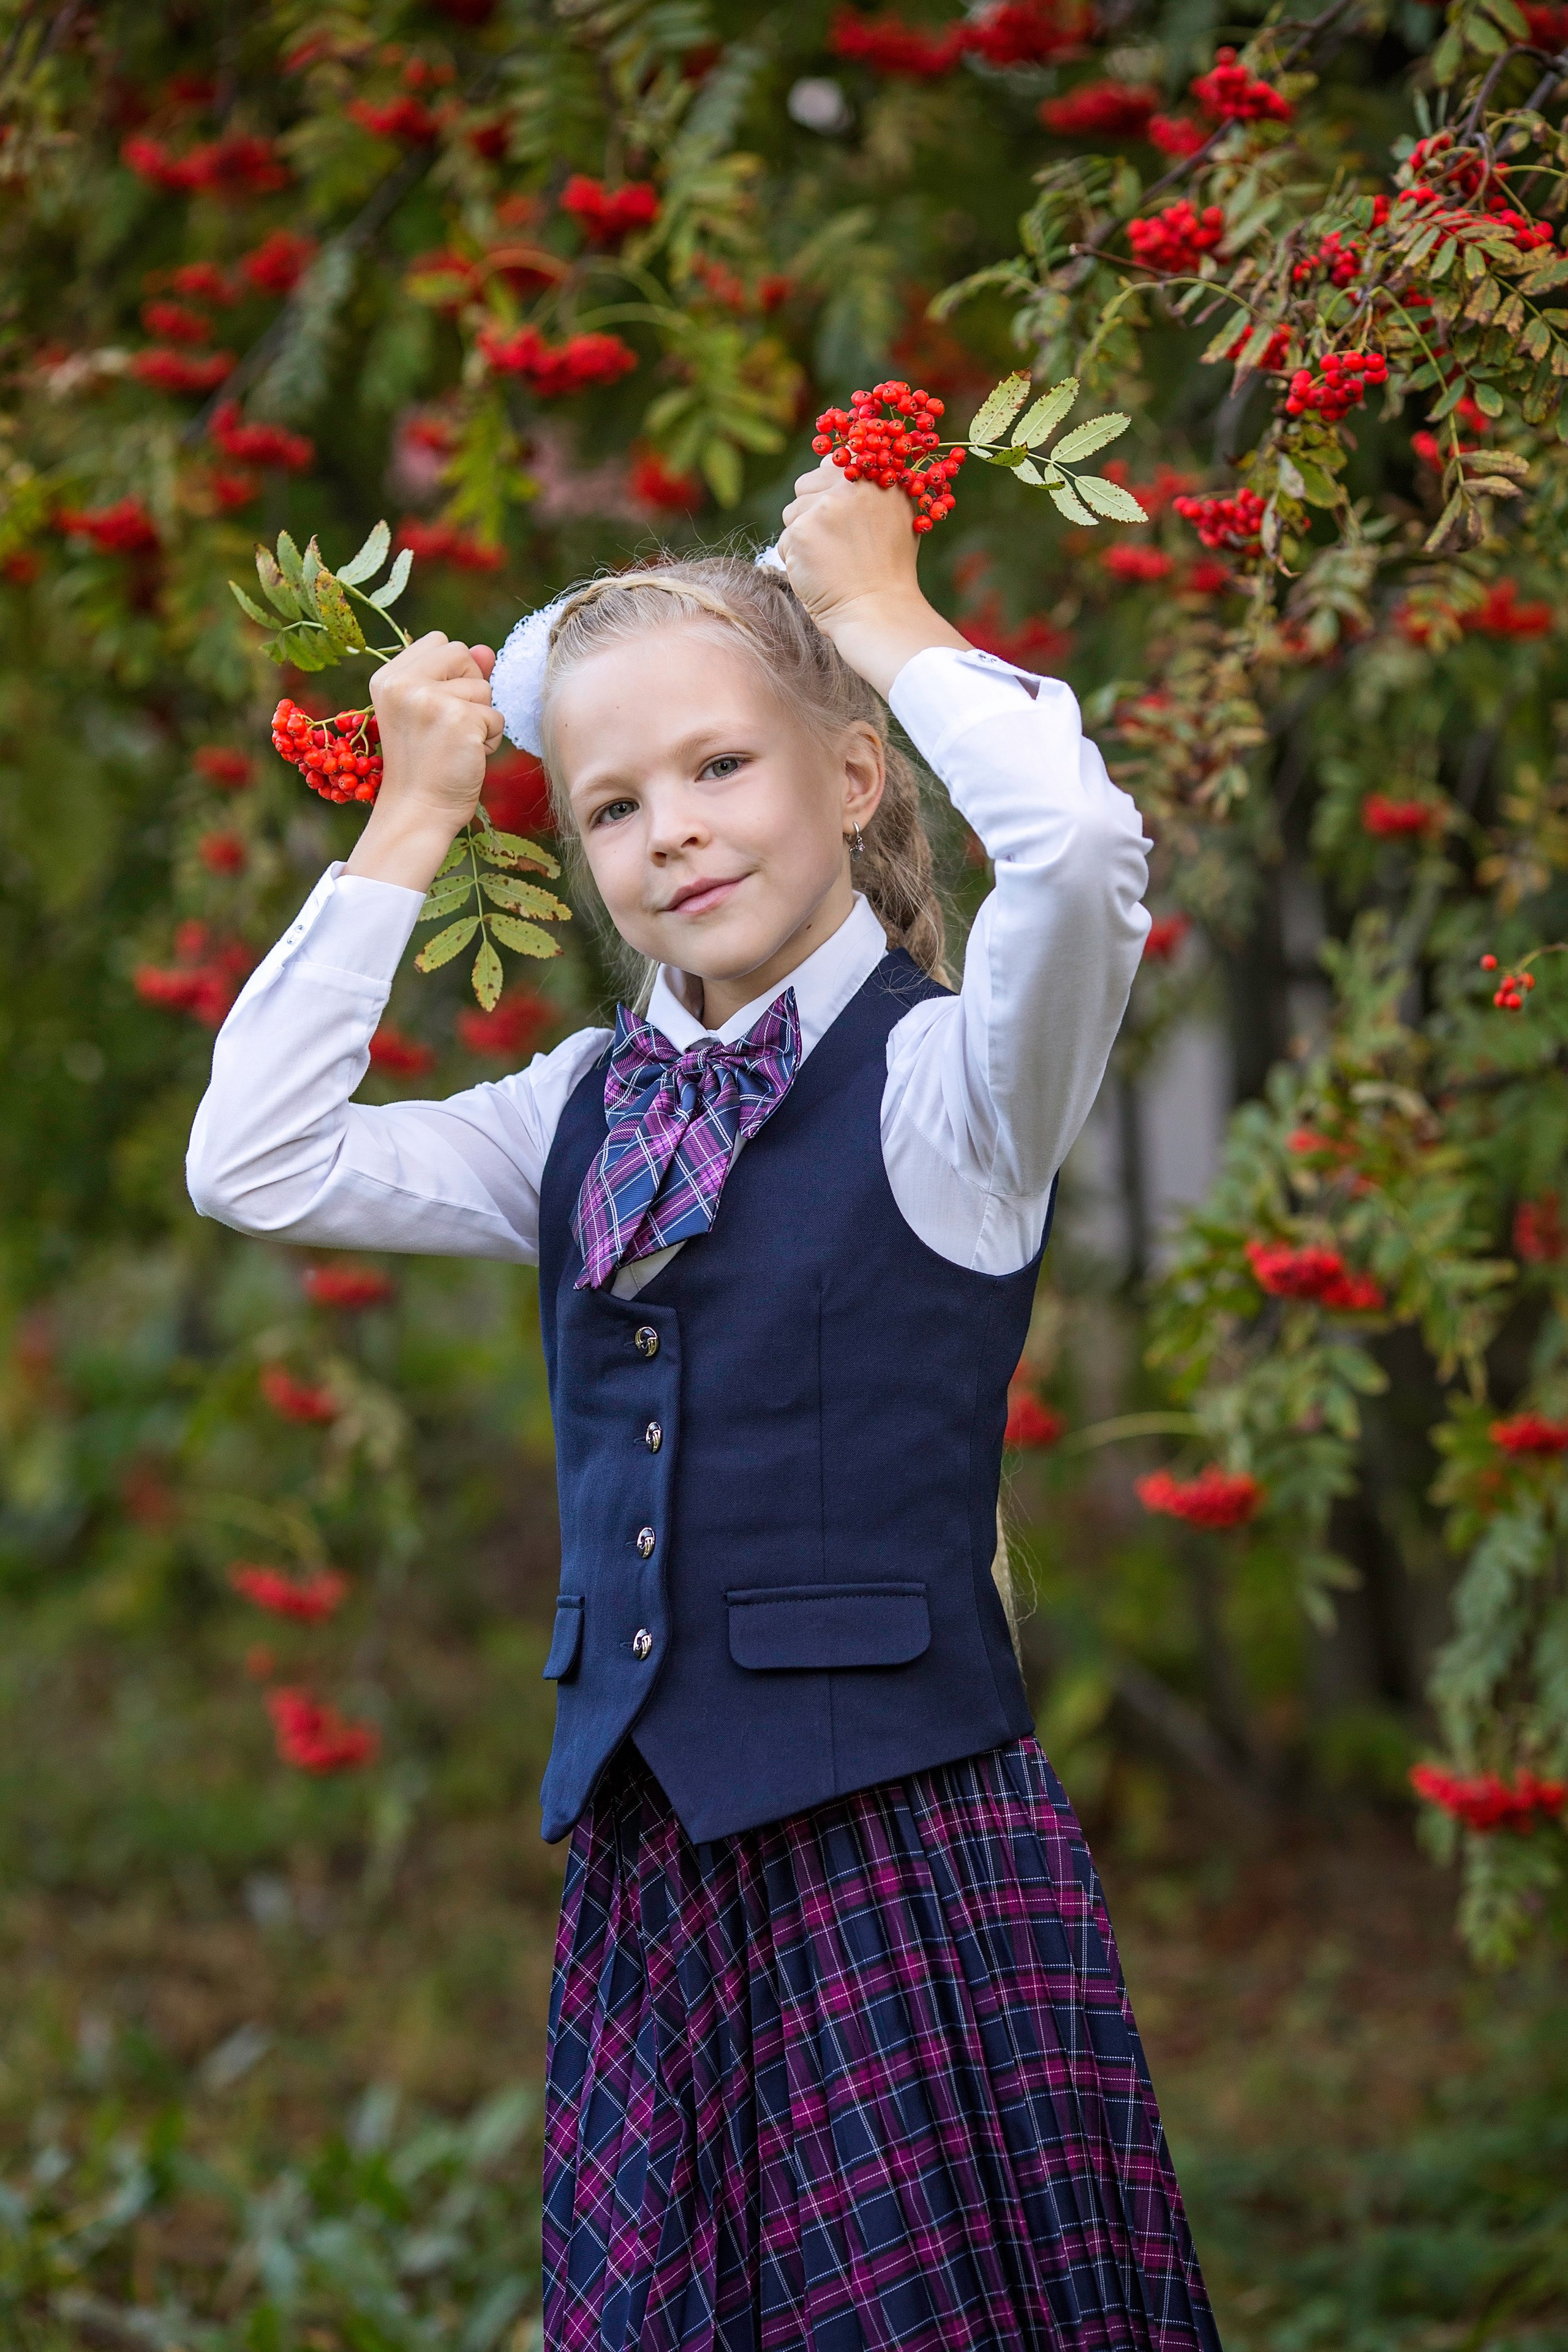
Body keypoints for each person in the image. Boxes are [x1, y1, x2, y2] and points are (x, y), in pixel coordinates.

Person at [187, 459, 1220, 2351]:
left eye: (723, 768)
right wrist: (411, 821)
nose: (671, 830)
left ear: (853, 775)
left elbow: (1073, 858)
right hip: (660, 1864)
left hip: (897, 1852)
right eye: (611, 803)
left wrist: (888, 621)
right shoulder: (569, 1110)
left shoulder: (954, 1092)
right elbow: (255, 1161)